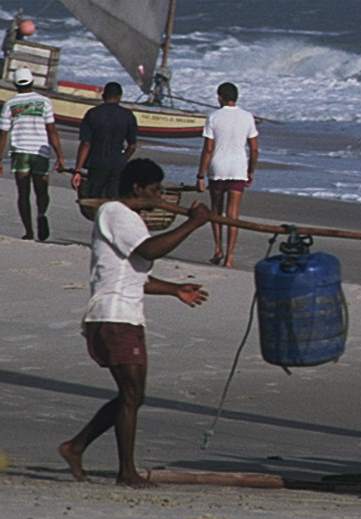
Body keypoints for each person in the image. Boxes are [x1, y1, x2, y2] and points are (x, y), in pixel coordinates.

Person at [58, 158, 211, 488]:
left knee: (132, 395)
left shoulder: (130, 219)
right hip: (113, 314)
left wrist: (175, 290)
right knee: (131, 394)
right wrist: (194, 223)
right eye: (154, 190)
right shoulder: (117, 214)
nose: (159, 197)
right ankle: (126, 471)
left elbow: (137, 276)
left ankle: (76, 447)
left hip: (125, 313)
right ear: (138, 188)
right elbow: (151, 250)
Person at [196, 82, 258, 268]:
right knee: (233, 215)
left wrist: (201, 174)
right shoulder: (247, 117)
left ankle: (218, 249)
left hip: (218, 167)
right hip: (238, 167)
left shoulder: (214, 117)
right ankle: (230, 257)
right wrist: (251, 171)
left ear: (220, 97)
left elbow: (208, 149)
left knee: (216, 211)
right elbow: (254, 149)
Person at [0, 67, 65, 241]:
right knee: (41, 191)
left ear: (15, 84)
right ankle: (41, 214)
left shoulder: (9, 104)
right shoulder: (44, 102)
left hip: (20, 152)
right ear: (32, 82)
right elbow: (52, 130)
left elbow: (3, 135)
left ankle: (29, 231)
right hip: (41, 152)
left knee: (23, 193)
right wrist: (60, 156)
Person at [71, 81, 138, 198]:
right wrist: (122, 160)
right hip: (117, 164)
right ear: (120, 97)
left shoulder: (92, 113)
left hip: (96, 163)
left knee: (94, 200)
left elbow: (86, 144)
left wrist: (78, 170)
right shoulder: (128, 116)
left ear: (103, 96)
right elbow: (132, 146)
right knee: (113, 198)